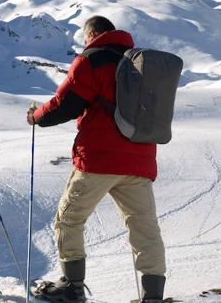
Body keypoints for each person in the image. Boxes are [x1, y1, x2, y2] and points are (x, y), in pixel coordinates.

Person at [27, 16, 166, 303]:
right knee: (144, 228)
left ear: (92, 34)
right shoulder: (139, 63)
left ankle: (72, 287)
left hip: (99, 158)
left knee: (69, 219)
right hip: (140, 159)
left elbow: (65, 104)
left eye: (85, 36)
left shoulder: (92, 59)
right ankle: (153, 297)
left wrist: (36, 116)